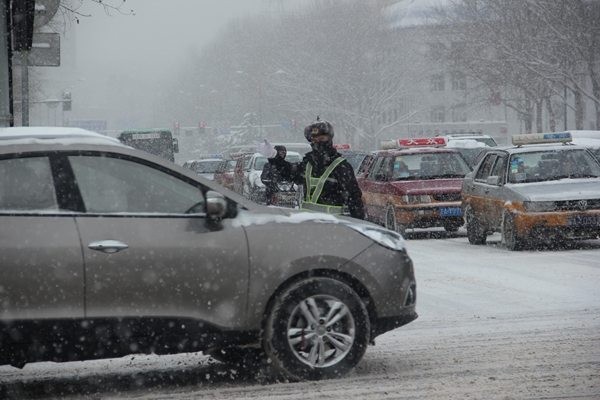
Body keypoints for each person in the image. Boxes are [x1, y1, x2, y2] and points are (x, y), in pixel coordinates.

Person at [255, 117, 365, 219]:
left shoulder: (341, 167)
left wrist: (359, 229)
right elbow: (288, 171)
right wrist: (274, 157)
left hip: (333, 227)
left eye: (322, 139)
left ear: (330, 139)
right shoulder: (308, 164)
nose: (318, 143)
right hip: (309, 226)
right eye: (314, 141)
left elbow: (354, 200)